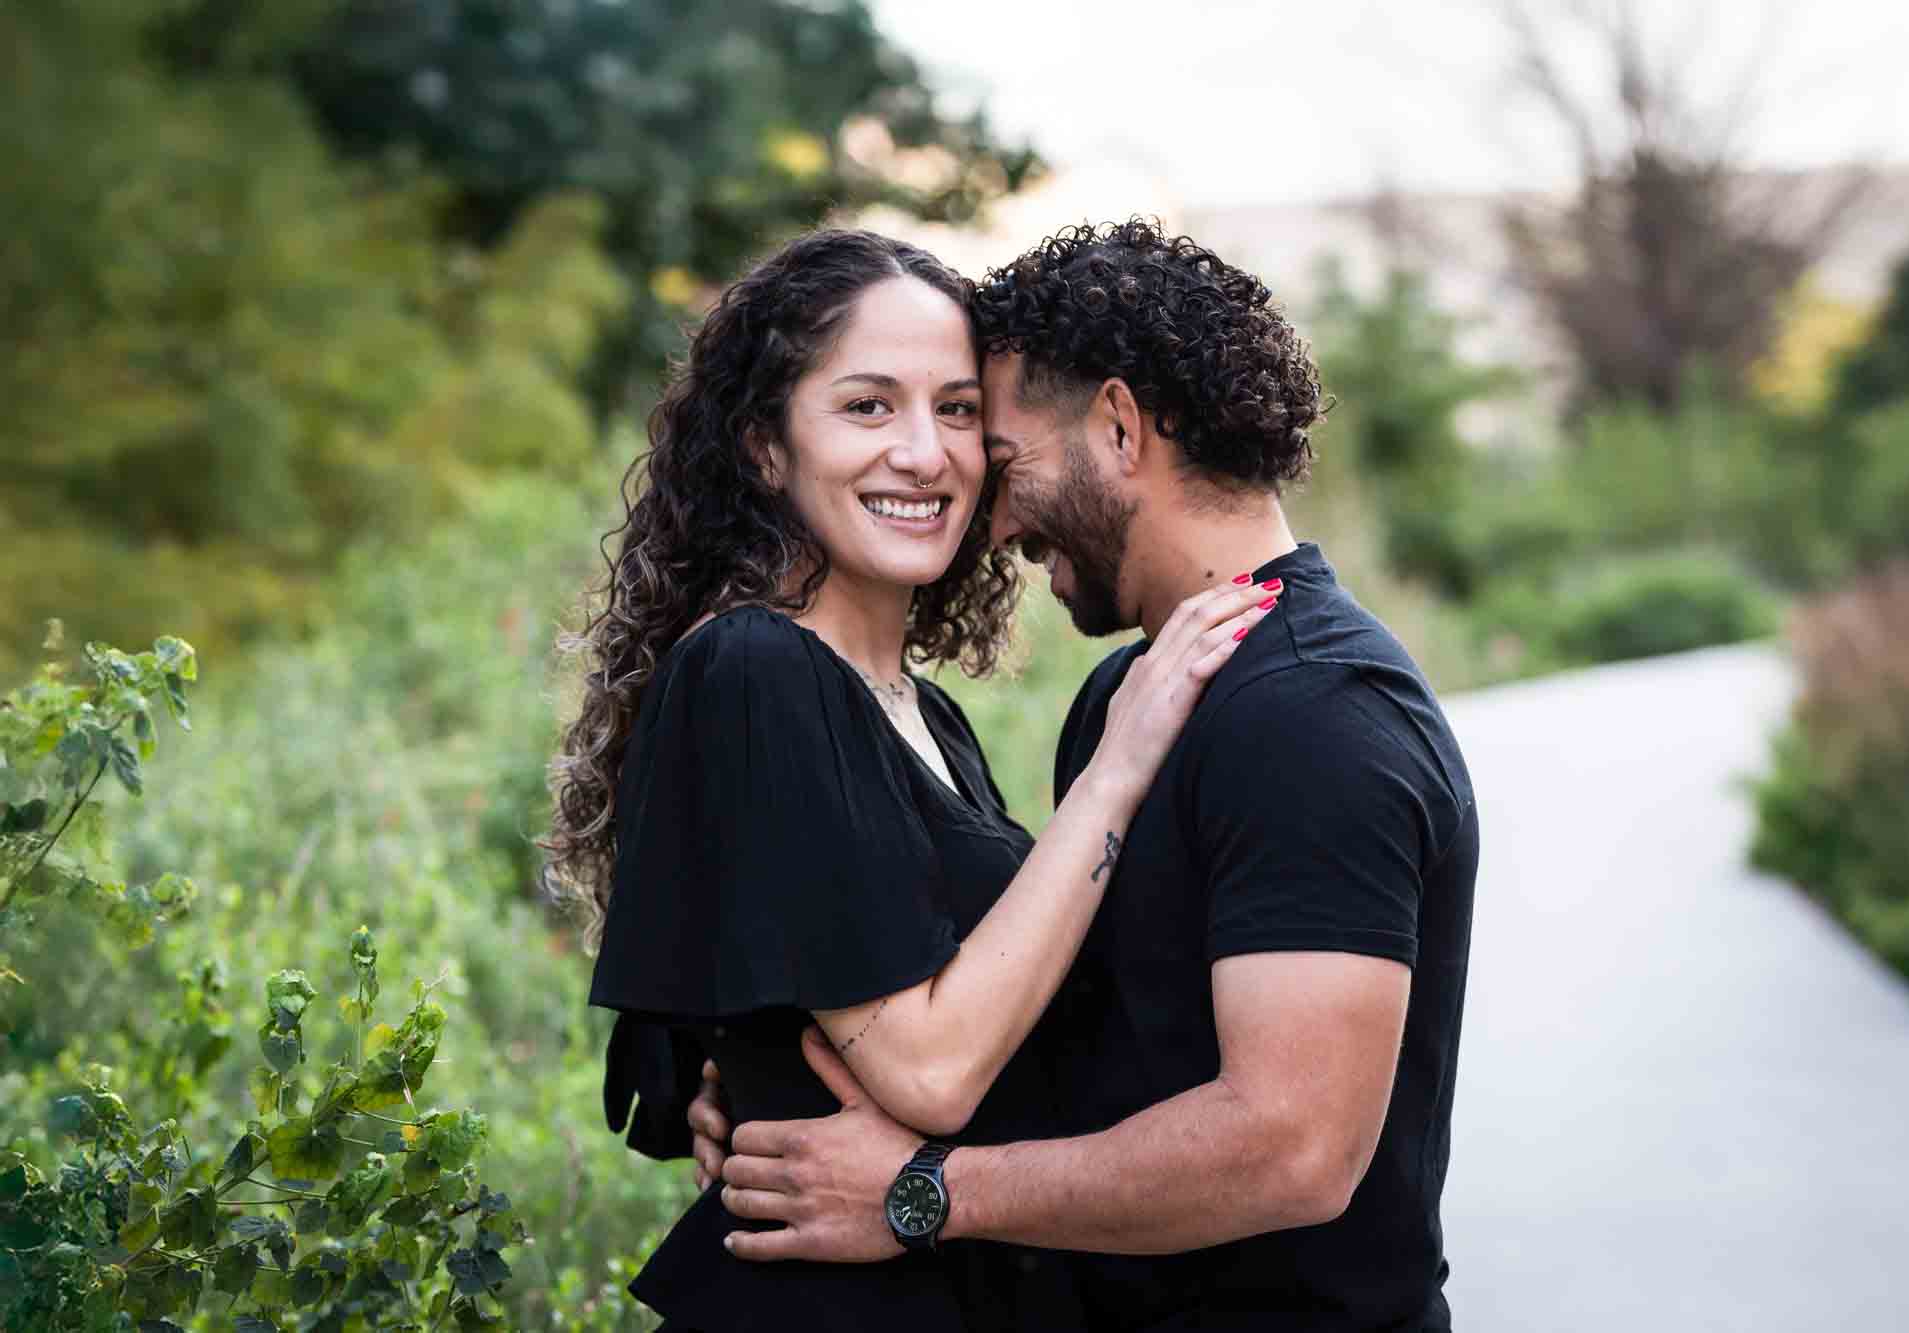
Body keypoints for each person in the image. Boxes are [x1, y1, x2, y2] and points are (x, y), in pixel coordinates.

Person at [694, 220, 1480, 1332]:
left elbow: (1292, 1147)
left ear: (1117, 428)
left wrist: (924, 1193)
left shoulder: (1315, 713)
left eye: (1003, 457)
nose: (993, 513)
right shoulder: (1129, 698)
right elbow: (1098, 1039)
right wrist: (777, 1085)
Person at [540, 227, 1279, 1333]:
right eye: (868, 406)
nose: (926, 453)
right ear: (763, 447)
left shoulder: (918, 709)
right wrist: (1116, 769)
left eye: (956, 409)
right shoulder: (753, 667)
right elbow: (930, 1071)